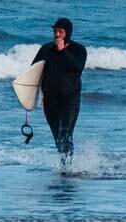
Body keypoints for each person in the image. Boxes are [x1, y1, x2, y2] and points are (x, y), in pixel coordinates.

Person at [30, 17, 87, 160]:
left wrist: (63, 51)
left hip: (70, 99)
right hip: (50, 101)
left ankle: (69, 166)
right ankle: (64, 165)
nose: (57, 35)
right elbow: (33, 72)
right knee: (57, 137)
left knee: (65, 132)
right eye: (55, 31)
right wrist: (29, 96)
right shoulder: (46, 49)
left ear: (67, 33)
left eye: (60, 32)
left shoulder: (78, 49)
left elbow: (78, 67)